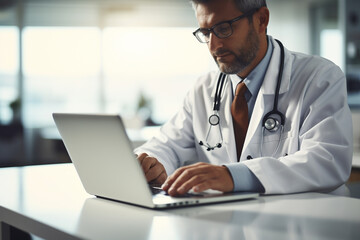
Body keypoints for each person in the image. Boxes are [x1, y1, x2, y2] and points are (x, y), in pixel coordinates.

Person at [134, 0, 353, 196]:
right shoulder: (204, 89)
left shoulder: (319, 77)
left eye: (223, 28)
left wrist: (234, 176)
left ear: (261, 20)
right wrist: (151, 163)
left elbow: (326, 160)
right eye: (206, 32)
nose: (213, 45)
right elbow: (167, 145)